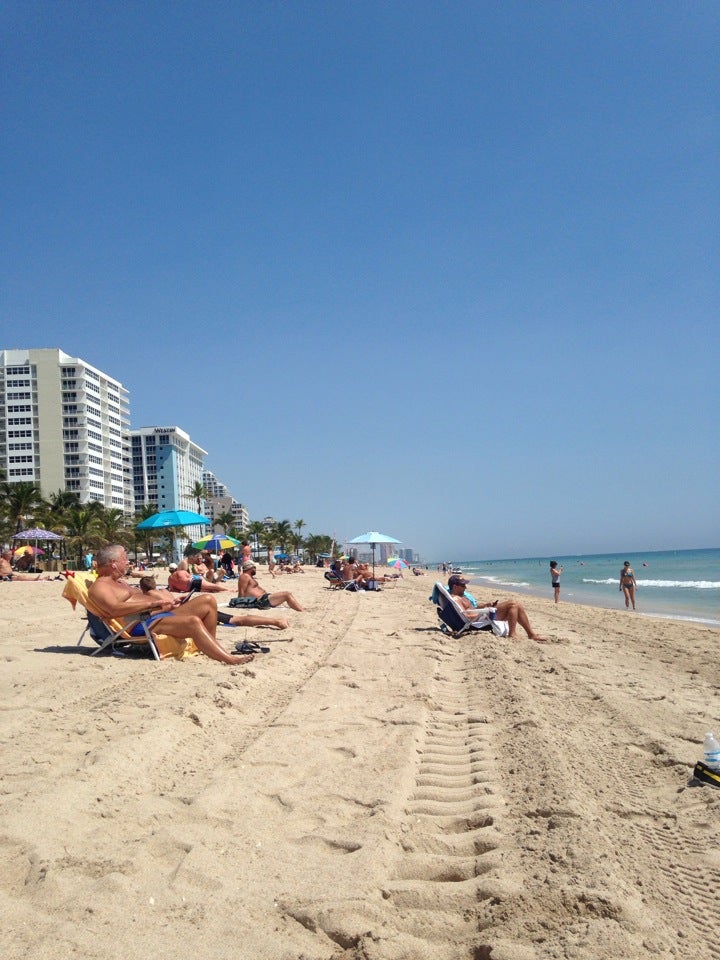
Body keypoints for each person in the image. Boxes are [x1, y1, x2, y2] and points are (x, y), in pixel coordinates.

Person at [88, 544, 254, 665]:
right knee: (193, 621)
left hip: (157, 614)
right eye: (125, 559)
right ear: (113, 563)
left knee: (208, 601)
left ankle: (212, 647)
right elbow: (113, 609)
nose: (128, 563)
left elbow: (143, 597)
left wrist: (169, 601)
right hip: (141, 623)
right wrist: (154, 604)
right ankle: (228, 659)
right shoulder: (100, 586)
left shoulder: (120, 583)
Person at [447, 574, 546, 642]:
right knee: (513, 604)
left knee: (517, 605)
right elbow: (468, 615)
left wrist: (486, 605)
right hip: (479, 619)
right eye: (463, 585)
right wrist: (484, 612)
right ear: (455, 586)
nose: (465, 587)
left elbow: (472, 608)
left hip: (480, 615)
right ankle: (513, 634)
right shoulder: (456, 599)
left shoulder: (461, 597)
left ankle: (531, 634)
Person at [236, 561, 305, 611]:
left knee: (287, 596)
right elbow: (241, 591)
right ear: (251, 568)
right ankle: (302, 611)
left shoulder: (249, 576)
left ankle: (300, 608)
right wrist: (240, 603)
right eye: (255, 568)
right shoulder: (244, 576)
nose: (255, 569)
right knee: (287, 594)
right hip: (261, 600)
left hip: (264, 598)